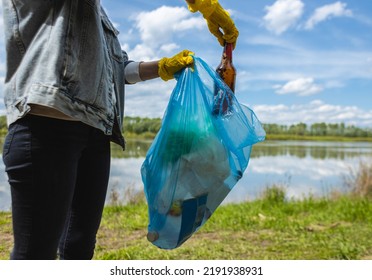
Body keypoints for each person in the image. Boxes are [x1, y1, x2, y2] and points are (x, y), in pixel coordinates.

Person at [1, 0, 238, 260]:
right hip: (47, 125)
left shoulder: (100, 16)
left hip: (96, 133)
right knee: (36, 255)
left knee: (79, 246)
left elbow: (119, 69)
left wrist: (163, 67)